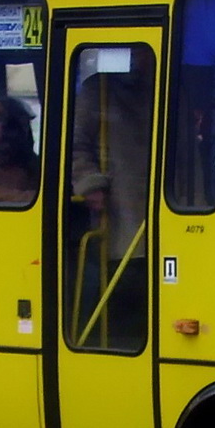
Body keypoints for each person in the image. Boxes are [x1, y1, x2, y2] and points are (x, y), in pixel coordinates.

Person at [70, 47, 154, 348]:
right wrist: (90, 184)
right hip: (122, 212)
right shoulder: (99, 91)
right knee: (121, 292)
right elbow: (73, 144)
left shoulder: (171, 88)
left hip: (168, 214)